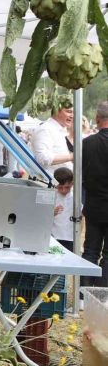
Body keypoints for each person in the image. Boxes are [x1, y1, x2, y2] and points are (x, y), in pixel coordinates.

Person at [81, 102, 108, 288]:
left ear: (97, 119)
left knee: (90, 250)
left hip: (93, 204)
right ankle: (102, 292)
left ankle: (83, 292)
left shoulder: (88, 143)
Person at [31, 99, 73, 176]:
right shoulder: (45, 129)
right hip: (52, 184)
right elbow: (42, 158)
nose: (72, 116)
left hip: (62, 183)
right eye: (69, 111)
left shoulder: (59, 130)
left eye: (74, 112)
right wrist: (71, 157)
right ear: (57, 110)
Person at [51, 167, 75, 251]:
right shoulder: (51, 195)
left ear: (72, 184)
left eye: (67, 187)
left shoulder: (76, 197)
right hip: (54, 237)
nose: (63, 190)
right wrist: (51, 212)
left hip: (70, 238)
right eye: (60, 187)